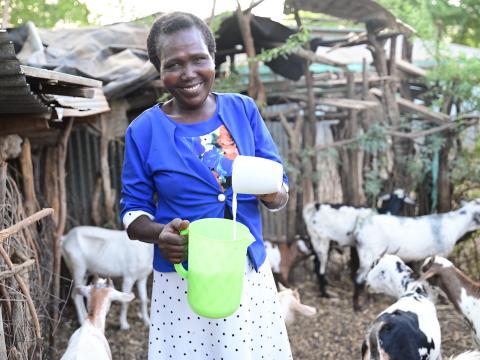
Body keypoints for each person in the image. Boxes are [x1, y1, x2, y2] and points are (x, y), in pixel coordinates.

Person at [120, 11, 292, 359]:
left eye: (199, 59)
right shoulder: (144, 131)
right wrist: (159, 234)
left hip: (246, 272)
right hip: (183, 281)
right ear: (159, 69)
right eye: (174, 64)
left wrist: (274, 193)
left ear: (213, 58)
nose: (189, 73)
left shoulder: (242, 111)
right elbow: (132, 211)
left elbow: (279, 187)